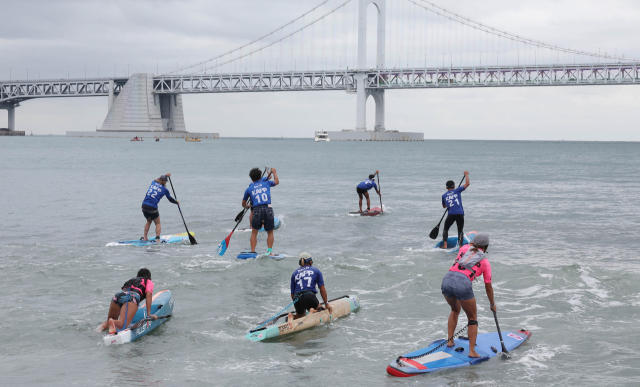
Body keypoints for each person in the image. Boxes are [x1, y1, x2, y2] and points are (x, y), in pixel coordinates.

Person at [440, 233, 495, 358]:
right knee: (472, 318)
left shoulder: (464, 249)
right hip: (462, 282)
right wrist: (492, 304)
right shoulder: (485, 262)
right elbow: (488, 287)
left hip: (447, 279)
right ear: (486, 247)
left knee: (455, 310)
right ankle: (472, 351)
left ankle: (450, 341)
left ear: (473, 243)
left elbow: (467, 247)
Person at [98, 268, 157, 334]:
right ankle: (113, 322)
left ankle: (99, 330)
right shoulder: (148, 281)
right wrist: (149, 314)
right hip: (131, 297)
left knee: (108, 323)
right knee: (122, 325)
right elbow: (148, 294)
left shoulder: (132, 280)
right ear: (149, 277)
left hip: (118, 295)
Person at [242, 167, 279, 255]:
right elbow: (276, 182)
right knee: (270, 232)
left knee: (254, 232)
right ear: (260, 177)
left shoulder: (249, 188)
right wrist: (274, 172)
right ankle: (269, 252)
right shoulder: (266, 183)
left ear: (251, 178)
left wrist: (248, 206)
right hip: (268, 209)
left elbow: (243, 204)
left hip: (257, 210)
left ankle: (253, 251)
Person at [287, 253, 333, 323]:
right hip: (309, 295)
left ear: (300, 263)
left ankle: (292, 316)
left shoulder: (294, 274)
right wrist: (326, 304)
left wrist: (298, 306)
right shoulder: (316, 270)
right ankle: (313, 311)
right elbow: (322, 289)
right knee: (321, 310)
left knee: (300, 317)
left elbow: (292, 294)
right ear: (311, 262)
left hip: (297, 297)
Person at [141, 174, 179, 242]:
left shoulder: (153, 182)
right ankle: (158, 239)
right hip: (152, 207)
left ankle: (145, 238)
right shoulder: (165, 189)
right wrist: (176, 202)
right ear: (164, 181)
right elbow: (170, 199)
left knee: (149, 221)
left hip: (144, 205)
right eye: (166, 181)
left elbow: (159, 178)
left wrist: (165, 175)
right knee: (158, 223)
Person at [441, 171, 470, 249]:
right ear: (454, 186)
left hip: (451, 214)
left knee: (446, 229)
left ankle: (445, 245)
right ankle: (460, 246)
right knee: (460, 230)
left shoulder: (444, 195)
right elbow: (467, 184)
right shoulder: (457, 190)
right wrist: (466, 175)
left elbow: (444, 206)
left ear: (446, 188)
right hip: (460, 213)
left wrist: (448, 203)